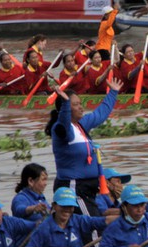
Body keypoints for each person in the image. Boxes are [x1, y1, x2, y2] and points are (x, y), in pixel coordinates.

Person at [47, 74, 122, 216]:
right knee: (92, 227)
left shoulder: (81, 125)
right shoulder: (61, 129)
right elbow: (63, 121)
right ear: (66, 109)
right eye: (75, 104)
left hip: (88, 189)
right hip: (74, 188)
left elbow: (100, 114)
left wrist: (113, 92)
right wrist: (64, 104)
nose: (81, 107)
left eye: (80, 103)